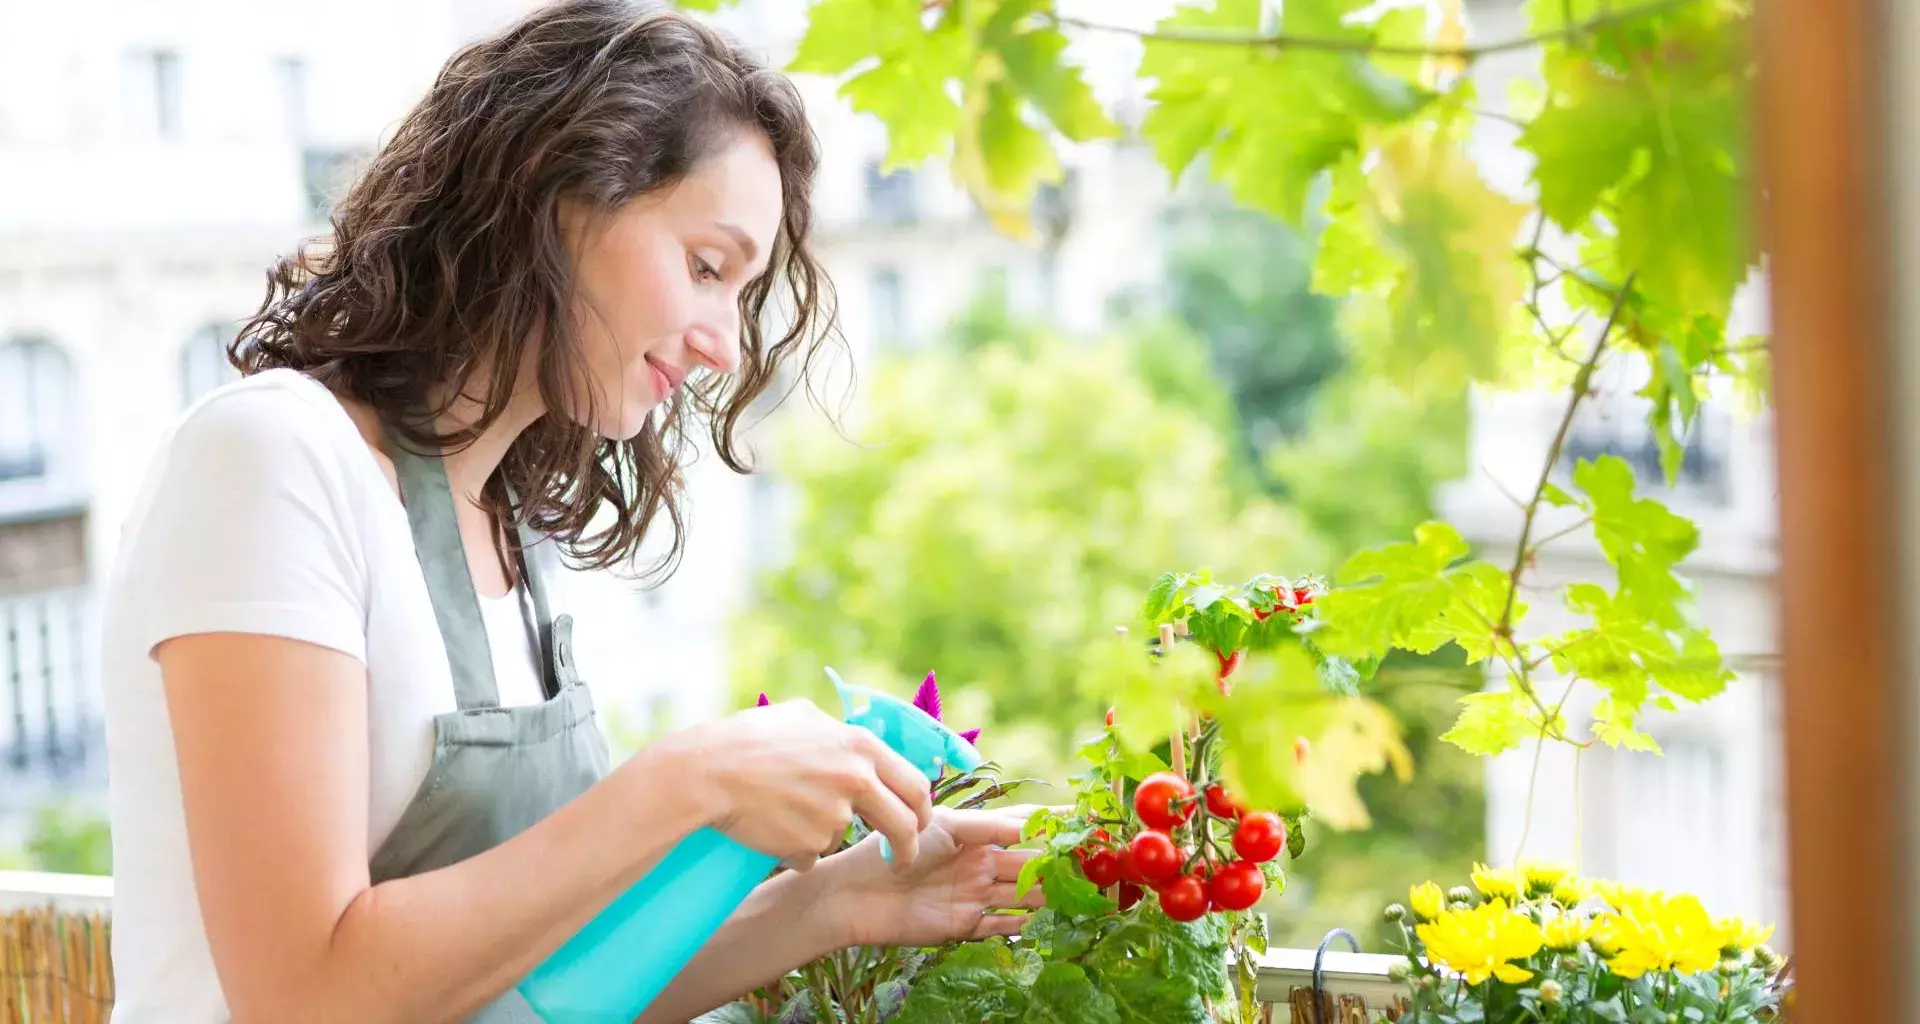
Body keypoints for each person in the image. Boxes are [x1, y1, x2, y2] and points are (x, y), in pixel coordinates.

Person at [97, 3, 1040, 1021]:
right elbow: (304, 994)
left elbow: (540, 987)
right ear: (558, 198)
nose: (724, 340)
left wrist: (832, 902)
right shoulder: (273, 460)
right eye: (707, 267)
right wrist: (689, 784)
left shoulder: (503, 524)